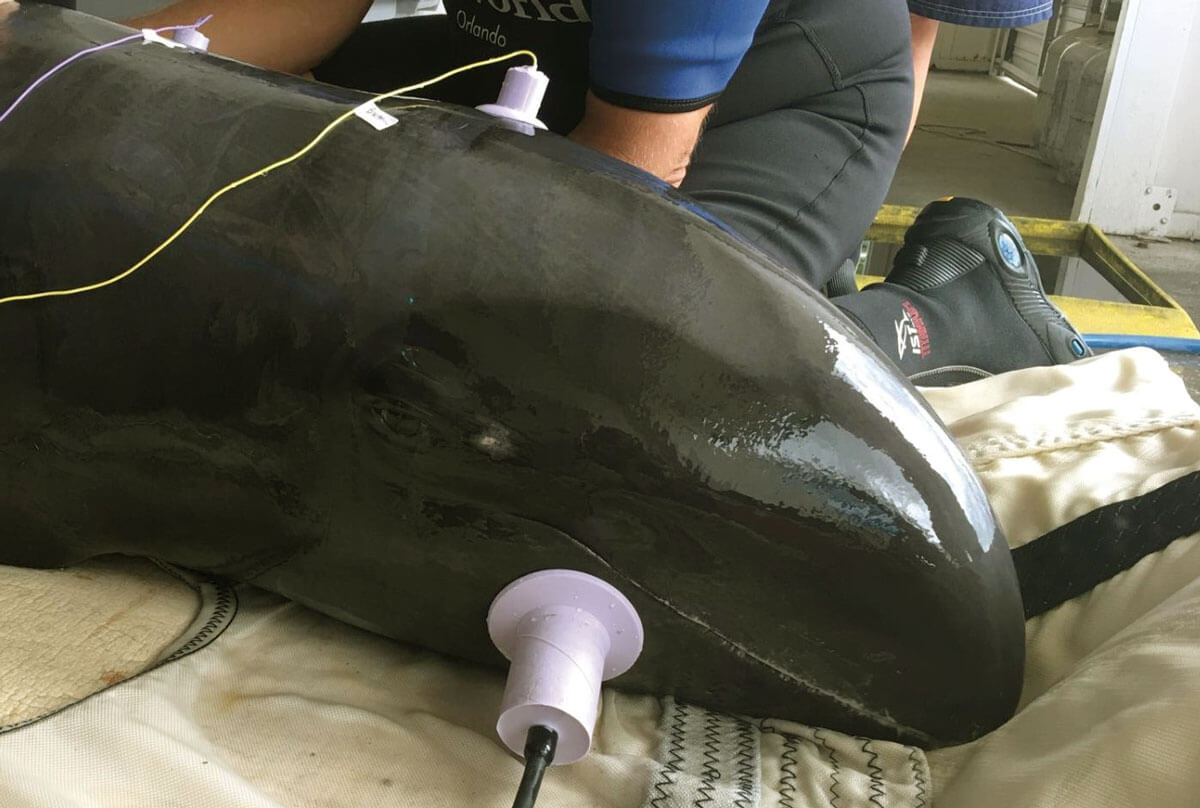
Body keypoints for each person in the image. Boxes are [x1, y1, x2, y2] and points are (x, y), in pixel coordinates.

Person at [128, 0, 1089, 385]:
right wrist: (72, 66)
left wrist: (796, 231)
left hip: (780, 93)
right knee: (247, 136)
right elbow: (298, 10)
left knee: (637, 375)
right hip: (536, 57)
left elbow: (629, 170)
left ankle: (948, 315)